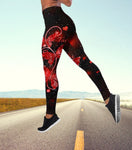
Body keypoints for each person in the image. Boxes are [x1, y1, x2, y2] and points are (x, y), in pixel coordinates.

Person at [38, 0, 121, 132]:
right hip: (61, 23)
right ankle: (109, 98)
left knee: (50, 72)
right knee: (83, 61)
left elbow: (68, 2)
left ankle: (50, 115)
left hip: (56, 26)